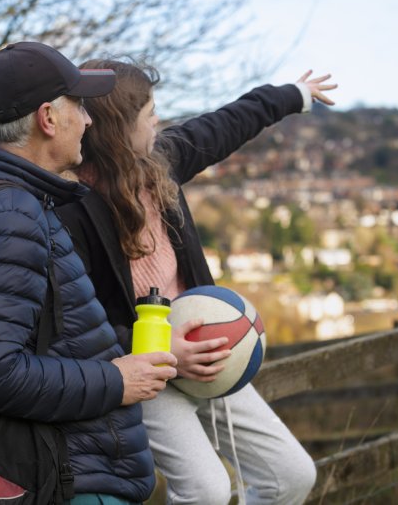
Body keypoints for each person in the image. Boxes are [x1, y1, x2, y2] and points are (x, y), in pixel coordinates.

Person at [57, 59, 337, 504]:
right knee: (206, 491)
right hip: (145, 369)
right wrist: (163, 351)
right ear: (118, 131)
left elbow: (222, 126)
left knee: (292, 475)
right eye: (149, 115)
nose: (158, 121)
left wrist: (292, 95)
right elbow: (73, 328)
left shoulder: (159, 165)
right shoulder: (70, 212)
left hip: (212, 356)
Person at [0, 42, 178, 504]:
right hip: (68, 478)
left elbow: (36, 336)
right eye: (80, 107)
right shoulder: (12, 214)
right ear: (48, 119)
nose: (88, 120)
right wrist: (117, 380)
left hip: (68, 469)